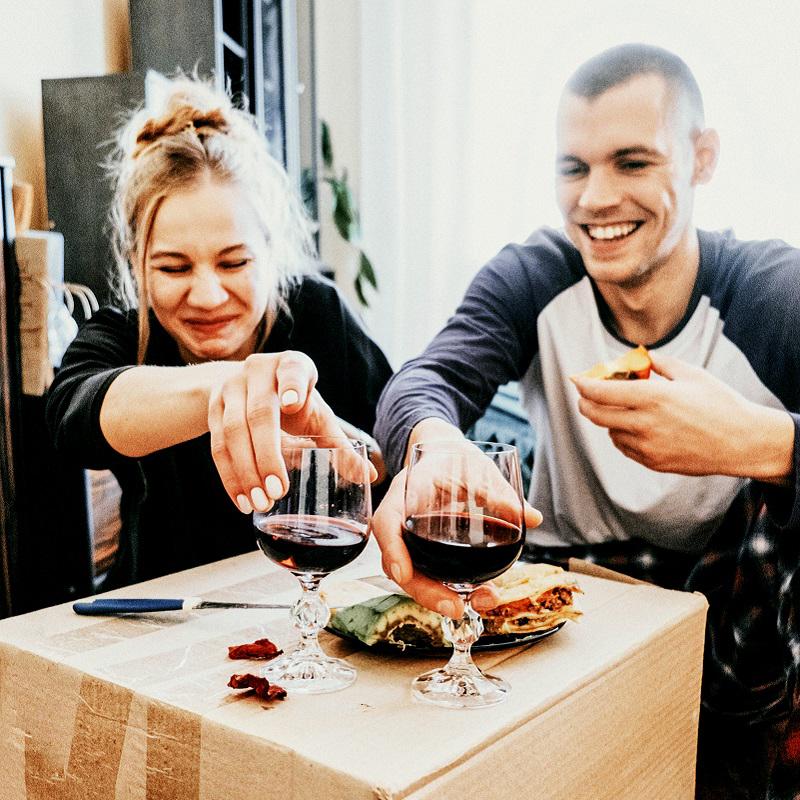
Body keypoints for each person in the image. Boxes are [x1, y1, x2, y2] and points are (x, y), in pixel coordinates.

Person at [372, 44, 800, 799]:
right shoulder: (536, 274)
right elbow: (427, 378)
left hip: (739, 619)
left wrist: (759, 440)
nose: (596, 199)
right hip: (578, 598)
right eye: (574, 168)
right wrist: (431, 445)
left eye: (632, 163)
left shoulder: (769, 293)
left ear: (701, 158)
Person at [46, 76, 392, 588]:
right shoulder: (123, 331)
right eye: (173, 268)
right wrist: (234, 384)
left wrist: (343, 446)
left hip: (317, 604)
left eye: (234, 263)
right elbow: (73, 417)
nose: (207, 296)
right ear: (136, 265)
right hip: (164, 614)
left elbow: (391, 451)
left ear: (270, 255)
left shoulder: (317, 312)